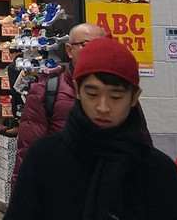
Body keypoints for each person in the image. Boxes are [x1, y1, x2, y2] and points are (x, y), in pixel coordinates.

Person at [4, 38, 177, 220]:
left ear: (134, 97)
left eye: (116, 97)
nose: (103, 107)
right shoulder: (44, 158)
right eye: (92, 94)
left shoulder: (158, 171)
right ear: (77, 90)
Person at [11, 21, 107, 185]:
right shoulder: (45, 94)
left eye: (102, 45)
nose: (95, 51)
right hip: (62, 193)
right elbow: (28, 155)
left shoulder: (118, 94)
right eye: (86, 45)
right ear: (69, 50)